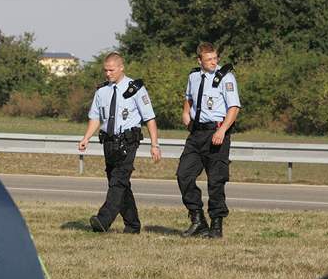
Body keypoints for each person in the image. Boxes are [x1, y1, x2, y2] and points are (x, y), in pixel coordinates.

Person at [78, 52, 161, 234]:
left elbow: (150, 118)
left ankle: (103, 219)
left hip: (128, 141)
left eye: (111, 70)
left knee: (119, 180)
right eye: (105, 70)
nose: (108, 74)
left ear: (121, 68)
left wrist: (155, 144)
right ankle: (132, 225)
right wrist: (86, 138)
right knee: (120, 184)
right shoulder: (102, 91)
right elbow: (95, 118)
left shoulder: (135, 89)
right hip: (109, 142)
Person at [178, 42, 242, 239]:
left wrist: (222, 130)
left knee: (216, 181)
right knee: (184, 175)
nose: (214, 62)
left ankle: (216, 225)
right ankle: (198, 220)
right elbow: (188, 98)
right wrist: (186, 114)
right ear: (200, 60)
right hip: (196, 134)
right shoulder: (193, 77)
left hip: (217, 133)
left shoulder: (226, 78)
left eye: (215, 58)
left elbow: (234, 108)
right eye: (209, 60)